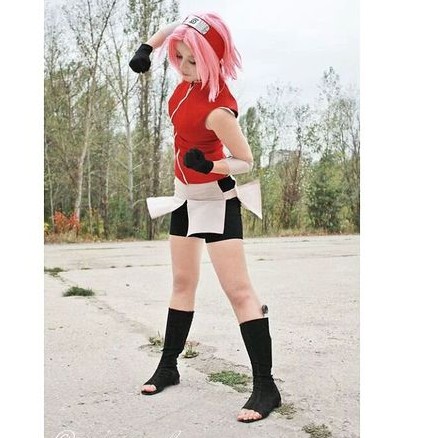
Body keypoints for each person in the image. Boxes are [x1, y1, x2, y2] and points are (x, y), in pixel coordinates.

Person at [129, 12, 281, 423]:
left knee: (239, 291)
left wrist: (209, 165)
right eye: (178, 57)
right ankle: (168, 366)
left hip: (217, 200)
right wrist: (147, 48)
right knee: (182, 283)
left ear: (212, 59)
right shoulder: (183, 86)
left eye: (193, 60)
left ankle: (266, 387)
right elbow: (172, 30)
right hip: (184, 197)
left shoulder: (218, 111)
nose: (182, 65)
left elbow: (245, 161)